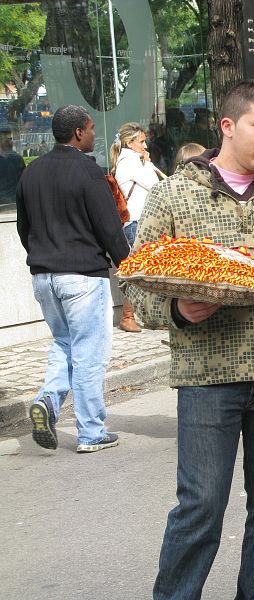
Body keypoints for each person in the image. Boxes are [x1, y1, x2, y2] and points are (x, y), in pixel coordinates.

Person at [122, 82, 254, 599]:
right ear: (227, 126)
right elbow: (135, 285)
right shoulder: (176, 193)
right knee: (200, 509)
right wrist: (179, 309)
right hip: (207, 379)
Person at [16, 104, 130, 453]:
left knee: (65, 343)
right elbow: (109, 228)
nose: (94, 135)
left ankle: (48, 402)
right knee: (88, 353)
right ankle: (91, 431)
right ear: (79, 132)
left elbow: (24, 228)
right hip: (83, 275)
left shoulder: (30, 173)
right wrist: (127, 264)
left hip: (44, 275)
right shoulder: (88, 172)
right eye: (92, 128)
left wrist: (43, 255)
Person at [110, 122, 164, 332]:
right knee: (138, 271)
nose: (145, 145)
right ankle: (128, 316)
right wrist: (148, 163)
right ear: (130, 143)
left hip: (139, 220)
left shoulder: (130, 160)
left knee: (146, 269)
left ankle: (142, 315)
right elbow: (154, 184)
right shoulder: (129, 162)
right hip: (136, 221)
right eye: (141, 142)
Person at [0, 127, 25, 207]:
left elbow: (24, 183)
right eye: (7, 140)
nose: (10, 143)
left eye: (11, 139)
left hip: (16, 205)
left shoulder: (17, 159)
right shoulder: (17, 159)